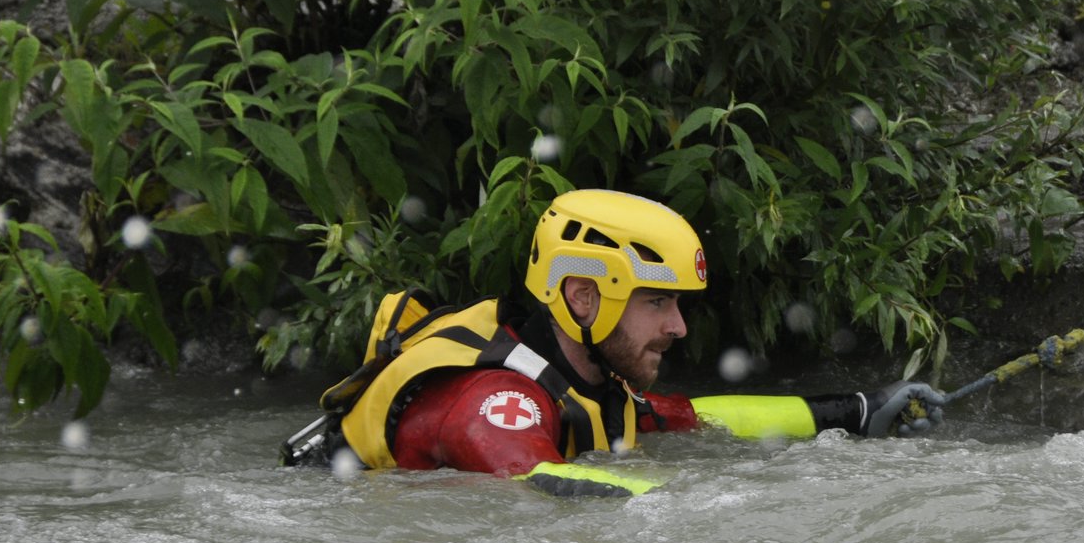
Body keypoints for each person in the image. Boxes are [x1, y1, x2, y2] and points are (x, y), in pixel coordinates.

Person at [284, 188, 947, 496]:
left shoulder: (592, 381)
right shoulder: (494, 398)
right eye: (656, 302)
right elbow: (542, 478)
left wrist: (855, 411)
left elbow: (699, 416)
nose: (679, 327)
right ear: (582, 296)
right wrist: (717, 507)